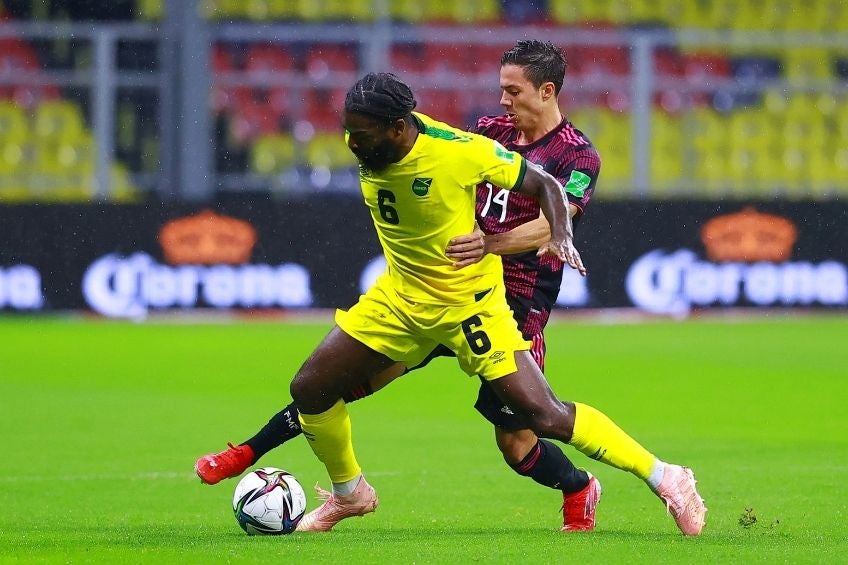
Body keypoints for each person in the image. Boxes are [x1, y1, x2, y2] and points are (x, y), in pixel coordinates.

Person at [200, 70, 707, 536]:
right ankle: (350, 492)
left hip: (470, 306)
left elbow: (546, 184)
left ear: (399, 129)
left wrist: (560, 233)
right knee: (311, 388)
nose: (352, 142)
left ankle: (666, 476)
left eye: (363, 133)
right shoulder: (379, 143)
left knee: (542, 419)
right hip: (400, 301)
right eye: (347, 130)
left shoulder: (459, 150)